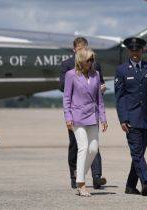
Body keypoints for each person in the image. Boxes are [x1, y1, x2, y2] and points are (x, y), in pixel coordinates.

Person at [114, 37, 147, 196]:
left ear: (142, 51)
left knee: (139, 153)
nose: (135, 53)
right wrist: (123, 119)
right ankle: (145, 183)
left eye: (137, 50)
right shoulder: (122, 70)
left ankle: (130, 186)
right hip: (131, 118)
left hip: (146, 117)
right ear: (129, 51)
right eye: (132, 50)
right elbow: (120, 97)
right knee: (137, 153)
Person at [60, 37, 107, 189]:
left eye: (92, 58)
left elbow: (99, 97)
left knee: (93, 149)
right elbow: (66, 96)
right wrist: (68, 117)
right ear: (76, 52)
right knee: (80, 147)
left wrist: (103, 117)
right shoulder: (69, 71)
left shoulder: (96, 72)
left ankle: (81, 174)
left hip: (92, 116)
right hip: (77, 116)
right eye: (89, 58)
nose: (91, 60)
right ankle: (80, 182)